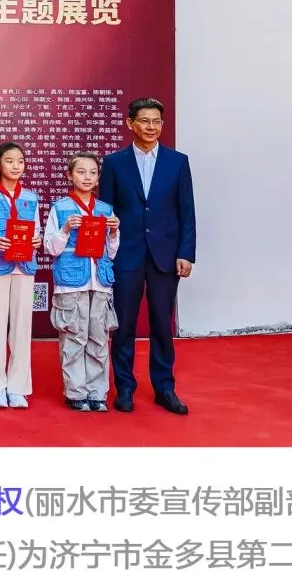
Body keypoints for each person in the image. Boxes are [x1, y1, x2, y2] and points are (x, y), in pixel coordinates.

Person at [99, 97, 196, 415]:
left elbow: (186, 211)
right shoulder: (114, 163)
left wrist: (186, 253)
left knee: (161, 324)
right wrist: (106, 253)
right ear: (130, 123)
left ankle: (164, 387)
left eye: (156, 121)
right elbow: (105, 211)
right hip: (125, 254)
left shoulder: (177, 162)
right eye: (144, 120)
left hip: (165, 256)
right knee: (124, 324)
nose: (151, 127)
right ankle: (124, 387)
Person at [44, 153, 121, 412]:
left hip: (100, 282)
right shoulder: (60, 208)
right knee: (74, 337)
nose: (87, 177)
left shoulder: (105, 209)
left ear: (98, 178)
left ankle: (98, 393)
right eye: (81, 172)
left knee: (99, 338)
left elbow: (112, 252)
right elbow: (50, 248)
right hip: (71, 282)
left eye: (92, 173)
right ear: (69, 175)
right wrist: (66, 229)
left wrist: (113, 231)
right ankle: (75, 392)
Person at [0, 141, 42, 409]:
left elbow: (37, 231)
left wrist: (36, 240)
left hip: (25, 266)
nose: (16, 166)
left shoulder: (31, 198)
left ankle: (18, 387)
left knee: (23, 327)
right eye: (10, 161)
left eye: (20, 161)